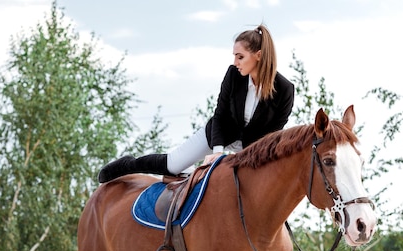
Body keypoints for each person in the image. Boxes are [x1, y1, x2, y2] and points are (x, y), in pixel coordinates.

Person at [98, 24, 295, 183]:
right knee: (173, 165)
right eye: (234, 56)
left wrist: (244, 158)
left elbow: (273, 137)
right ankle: (128, 165)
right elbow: (220, 116)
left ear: (258, 56)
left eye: (240, 56)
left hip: (252, 148)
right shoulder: (233, 75)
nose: (235, 62)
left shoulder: (285, 89)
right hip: (219, 136)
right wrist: (218, 153)